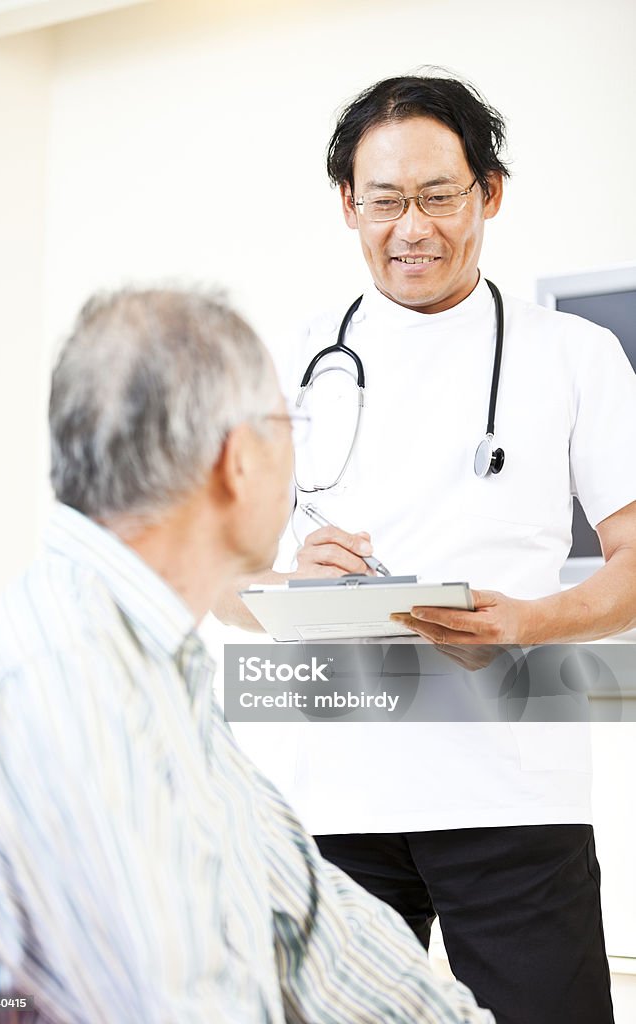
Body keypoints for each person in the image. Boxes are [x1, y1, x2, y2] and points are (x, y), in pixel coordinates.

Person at [215, 74, 636, 1024]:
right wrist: (282, 582)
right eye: (384, 201)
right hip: (330, 798)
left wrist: (530, 622)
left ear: (488, 192)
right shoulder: (291, 359)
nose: (412, 227)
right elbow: (216, 581)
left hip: (512, 794)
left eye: (439, 197)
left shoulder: (573, 356)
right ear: (347, 207)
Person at [0, 287, 494, 1023]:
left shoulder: (154, 664)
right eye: (289, 424)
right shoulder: (61, 686)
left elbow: (312, 927)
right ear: (237, 460)